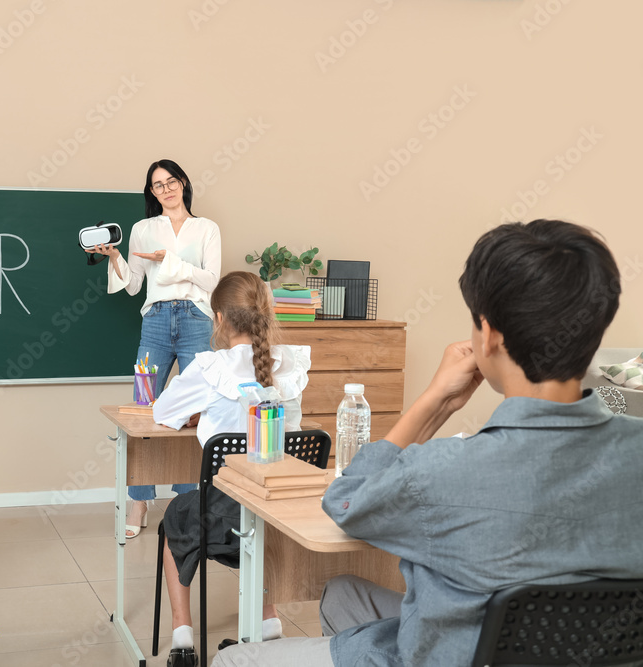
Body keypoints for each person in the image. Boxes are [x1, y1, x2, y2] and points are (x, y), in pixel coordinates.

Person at [213, 219, 643, 667]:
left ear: (489, 337)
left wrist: (434, 402)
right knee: (344, 595)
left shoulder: (443, 472)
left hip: (448, 655)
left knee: (233, 662)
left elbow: (345, 502)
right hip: (558, 649)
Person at [153, 271, 312, 667]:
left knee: (176, 515)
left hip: (226, 515)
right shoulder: (292, 365)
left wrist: (197, 415)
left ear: (220, 319)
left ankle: (182, 639)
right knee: (255, 519)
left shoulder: (211, 368)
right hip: (282, 512)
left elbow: (161, 411)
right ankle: (269, 624)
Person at [89, 159, 222, 538]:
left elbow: (212, 280)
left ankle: (188, 499)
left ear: (183, 183)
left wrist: (170, 262)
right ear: (151, 192)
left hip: (197, 320)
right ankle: (140, 499)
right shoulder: (143, 229)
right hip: (157, 321)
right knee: (143, 409)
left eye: (170, 181)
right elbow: (132, 285)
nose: (165, 189)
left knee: (195, 410)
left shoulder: (206, 228)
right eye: (157, 185)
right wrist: (114, 257)